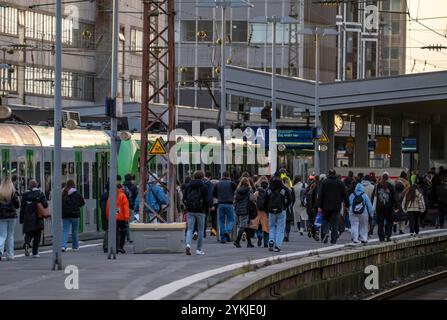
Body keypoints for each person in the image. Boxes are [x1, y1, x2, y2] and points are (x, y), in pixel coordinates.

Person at [317, 169, 349, 245]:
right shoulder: (340, 182)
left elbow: (320, 195)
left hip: (325, 206)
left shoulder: (324, 182)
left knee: (325, 220)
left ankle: (326, 232)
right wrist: (347, 205)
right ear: (335, 174)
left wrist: (319, 206)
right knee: (335, 223)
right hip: (336, 206)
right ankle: (333, 240)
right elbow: (345, 194)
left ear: (328, 174)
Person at [20, 180, 48, 258]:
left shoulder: (25, 195)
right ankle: (35, 253)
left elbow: (22, 208)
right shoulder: (40, 194)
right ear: (37, 185)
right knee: (37, 235)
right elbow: (45, 205)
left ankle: (26, 244)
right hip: (38, 218)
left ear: (29, 186)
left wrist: (21, 219)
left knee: (28, 233)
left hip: (28, 218)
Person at [264, 172, 292, 253]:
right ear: (280, 178)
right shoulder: (284, 188)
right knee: (280, 228)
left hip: (271, 211)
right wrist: (285, 206)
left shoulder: (269, 188)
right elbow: (290, 199)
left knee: (272, 226)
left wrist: (267, 209)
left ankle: (271, 240)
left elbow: (265, 200)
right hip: (281, 210)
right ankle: (277, 246)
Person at [183, 171, 209, 255]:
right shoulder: (204, 186)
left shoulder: (188, 185)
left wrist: (186, 206)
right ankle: (199, 249)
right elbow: (206, 199)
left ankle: (188, 245)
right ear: (202, 177)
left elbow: (184, 198)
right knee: (200, 230)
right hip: (201, 210)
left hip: (190, 210)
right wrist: (206, 208)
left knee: (190, 229)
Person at [61, 180, 85, 252]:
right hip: (75, 214)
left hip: (65, 215)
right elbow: (82, 203)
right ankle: (75, 247)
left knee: (65, 230)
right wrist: (77, 207)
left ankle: (63, 246)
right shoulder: (77, 193)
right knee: (75, 231)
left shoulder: (63, 193)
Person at [372, 172, 397, 242]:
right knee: (389, 222)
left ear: (382, 177)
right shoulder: (391, 186)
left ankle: (381, 237)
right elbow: (394, 197)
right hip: (389, 207)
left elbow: (374, 196)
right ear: (388, 178)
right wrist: (396, 206)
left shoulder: (377, 185)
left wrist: (373, 205)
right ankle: (388, 235)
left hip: (379, 207)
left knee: (380, 223)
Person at [213, 171, 237, 243]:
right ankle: (228, 231)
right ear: (228, 176)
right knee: (231, 219)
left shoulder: (217, 184)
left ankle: (223, 238)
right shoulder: (232, 183)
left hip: (220, 204)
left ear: (222, 176)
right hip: (229, 204)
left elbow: (214, 195)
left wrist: (220, 197)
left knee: (221, 221)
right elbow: (236, 192)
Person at [106, 183, 130, 254]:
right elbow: (125, 207)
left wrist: (108, 216)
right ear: (121, 188)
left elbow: (108, 207)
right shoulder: (123, 195)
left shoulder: (111, 196)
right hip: (122, 218)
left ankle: (115, 247)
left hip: (113, 217)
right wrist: (126, 217)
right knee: (122, 232)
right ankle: (121, 247)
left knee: (114, 233)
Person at [0, 177, 20, 261]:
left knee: (2, 235)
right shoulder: (13, 192)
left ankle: (0, 251)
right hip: (12, 216)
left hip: (1, 216)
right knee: (10, 235)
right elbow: (17, 205)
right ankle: (10, 255)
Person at [233, 177, 255, 248]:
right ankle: (237, 241)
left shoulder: (237, 190)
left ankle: (249, 243)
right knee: (243, 225)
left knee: (246, 226)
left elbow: (235, 200)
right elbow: (252, 199)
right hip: (246, 209)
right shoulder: (249, 190)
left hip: (238, 210)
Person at [250, 176, 269, 247]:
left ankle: (259, 235)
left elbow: (252, 199)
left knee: (257, 226)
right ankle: (266, 243)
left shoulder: (257, 192)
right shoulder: (268, 192)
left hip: (257, 211)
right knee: (266, 228)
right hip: (265, 212)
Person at [123, 174, 138, 243]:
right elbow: (136, 196)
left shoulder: (122, 187)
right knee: (130, 222)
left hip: (122, 207)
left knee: (124, 222)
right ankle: (130, 237)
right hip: (131, 206)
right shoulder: (134, 186)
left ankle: (124, 237)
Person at [282, 176, 295, 242]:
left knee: (282, 222)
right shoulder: (291, 189)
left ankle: (283, 235)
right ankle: (287, 234)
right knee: (288, 222)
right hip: (289, 207)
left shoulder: (282, 188)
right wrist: (291, 205)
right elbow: (293, 199)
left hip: (283, 207)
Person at [100, 184, 109, 253]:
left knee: (107, 230)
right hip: (110, 215)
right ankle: (107, 246)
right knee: (109, 230)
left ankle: (105, 245)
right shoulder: (113, 196)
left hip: (104, 214)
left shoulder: (103, 196)